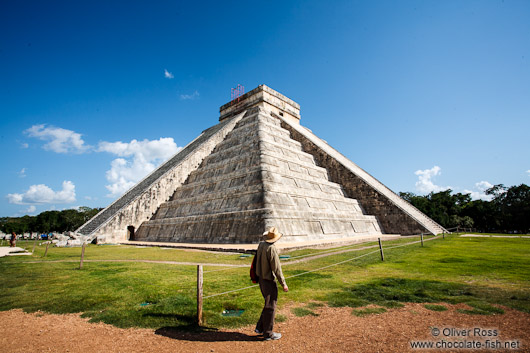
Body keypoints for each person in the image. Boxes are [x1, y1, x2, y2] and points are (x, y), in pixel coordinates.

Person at [255, 227, 289, 341]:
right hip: (268, 280)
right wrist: (283, 283)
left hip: (261, 279)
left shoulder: (261, 245)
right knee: (271, 305)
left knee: (267, 303)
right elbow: (277, 268)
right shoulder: (271, 249)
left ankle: (260, 327)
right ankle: (268, 333)